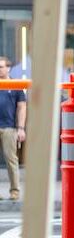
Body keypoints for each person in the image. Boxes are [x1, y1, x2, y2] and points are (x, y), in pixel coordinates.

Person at [0, 57, 25, 200]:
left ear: (8, 68)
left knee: (11, 160)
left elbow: (22, 107)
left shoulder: (16, 84)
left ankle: (14, 192)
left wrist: (21, 128)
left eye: (1, 67)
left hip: (9, 128)